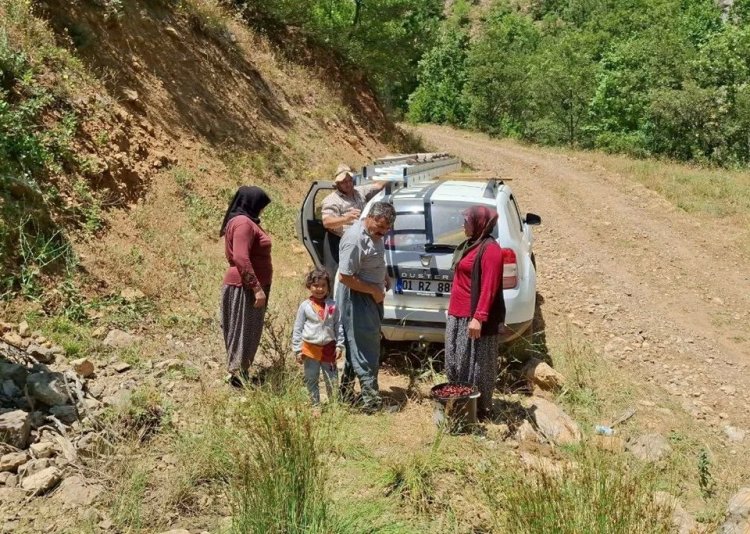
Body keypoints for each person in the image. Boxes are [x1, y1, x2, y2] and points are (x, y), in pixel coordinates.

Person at [445, 205, 506, 419]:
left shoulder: (490, 250)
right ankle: (459, 404)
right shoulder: (471, 245)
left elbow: (490, 287)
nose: (463, 225)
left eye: (467, 221)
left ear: (479, 224)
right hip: (458, 314)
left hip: (472, 319)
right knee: (456, 361)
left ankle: (478, 409)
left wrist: (478, 318)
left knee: (476, 365)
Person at [337, 201, 396, 411]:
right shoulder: (355, 239)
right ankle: (372, 402)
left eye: (386, 230)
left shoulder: (374, 235)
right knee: (367, 349)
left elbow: (373, 257)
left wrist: (384, 276)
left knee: (358, 345)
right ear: (369, 217)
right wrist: (373, 290)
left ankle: (344, 394)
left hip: (370, 296)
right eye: (379, 228)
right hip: (358, 299)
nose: (382, 233)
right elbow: (345, 276)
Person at [219, 186, 272, 387]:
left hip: (247, 286)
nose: (261, 211)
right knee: (243, 331)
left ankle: (241, 374)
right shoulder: (243, 224)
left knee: (247, 330)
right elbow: (241, 257)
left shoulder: (244, 222)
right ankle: (238, 377)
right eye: (260, 206)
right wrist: (256, 287)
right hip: (245, 288)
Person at [320, 163, 386, 280]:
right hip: (340, 243)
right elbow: (327, 222)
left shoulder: (359, 192)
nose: (348, 184)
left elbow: (378, 186)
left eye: (350, 180)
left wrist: (395, 175)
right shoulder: (331, 200)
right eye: (344, 182)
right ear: (337, 184)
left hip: (361, 242)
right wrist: (346, 218)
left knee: (358, 274)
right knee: (339, 276)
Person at [292, 269, 345, 405]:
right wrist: (298, 349)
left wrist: (339, 345)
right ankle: (315, 404)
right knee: (311, 378)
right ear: (309, 286)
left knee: (332, 378)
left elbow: (338, 326)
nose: (320, 289)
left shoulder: (333, 305)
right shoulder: (305, 306)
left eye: (323, 285)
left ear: (328, 287)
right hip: (310, 350)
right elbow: (298, 329)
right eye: (316, 285)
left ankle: (334, 405)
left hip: (329, 349)